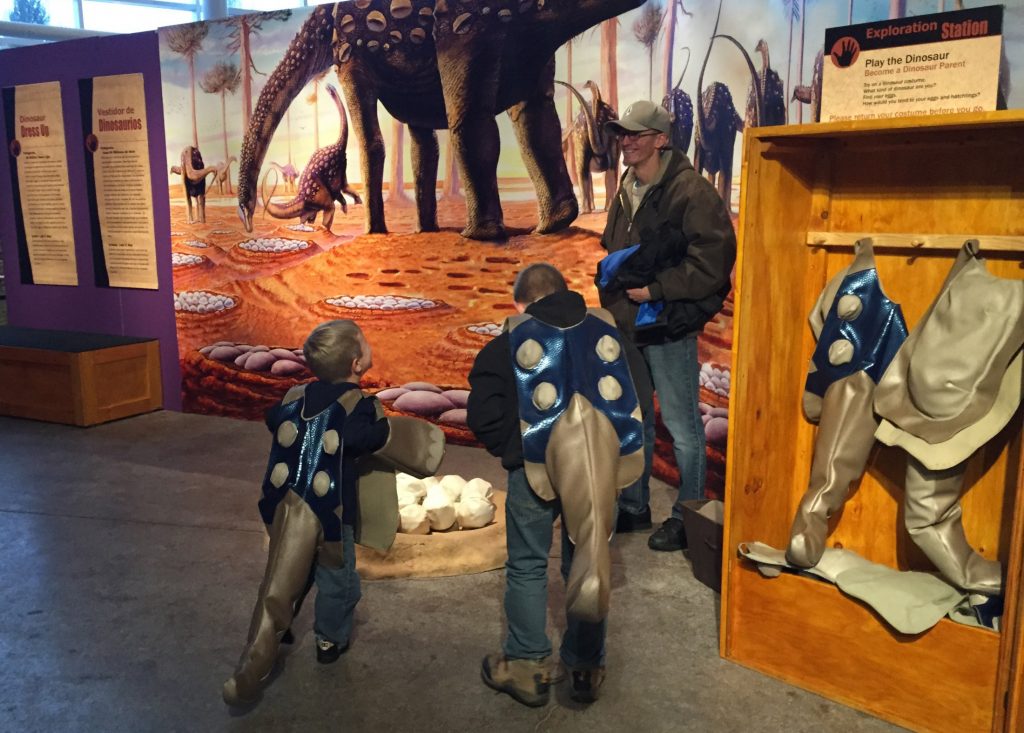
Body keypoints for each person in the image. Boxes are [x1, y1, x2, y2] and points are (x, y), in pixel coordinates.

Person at [223, 319, 443, 706]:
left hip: (284, 505)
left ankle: (268, 645)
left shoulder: (295, 395)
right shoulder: (360, 406)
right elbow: (363, 438)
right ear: (357, 363)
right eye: (366, 342)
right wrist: (385, 432)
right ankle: (330, 638)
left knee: (284, 575)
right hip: (330, 515)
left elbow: (272, 418)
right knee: (338, 581)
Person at [467, 263, 653, 706]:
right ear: (565, 292)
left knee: (528, 564)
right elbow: (641, 399)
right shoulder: (612, 336)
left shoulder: (506, 342)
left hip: (529, 472)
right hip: (598, 472)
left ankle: (528, 667)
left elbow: (483, 415)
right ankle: (585, 665)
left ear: (522, 304)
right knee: (589, 554)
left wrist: (516, 452)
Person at [598, 100, 736, 552]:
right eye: (624, 133)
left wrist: (658, 290)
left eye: (638, 134)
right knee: (634, 418)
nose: (627, 140)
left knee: (681, 426)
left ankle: (688, 514)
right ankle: (635, 505)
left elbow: (713, 263)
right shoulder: (627, 186)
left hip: (667, 324)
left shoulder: (692, 192)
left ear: (661, 139)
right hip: (628, 324)